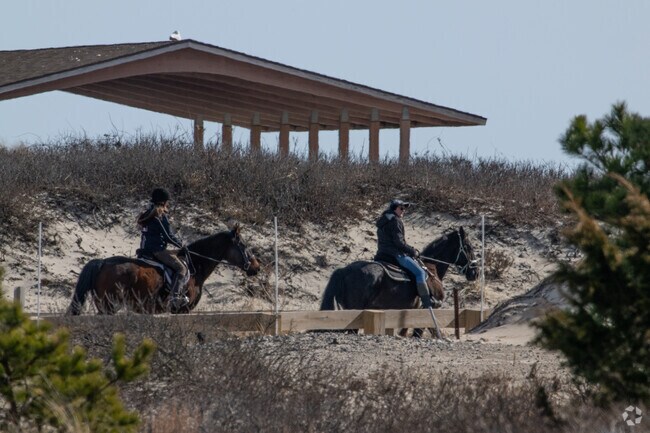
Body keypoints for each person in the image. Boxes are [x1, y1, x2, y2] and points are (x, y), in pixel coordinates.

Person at [374, 199, 436, 309]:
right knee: (420, 272)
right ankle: (427, 303)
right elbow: (399, 243)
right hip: (395, 254)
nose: (404, 211)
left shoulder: (383, 220)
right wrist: (413, 251)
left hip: (381, 254)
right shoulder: (396, 221)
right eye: (401, 208)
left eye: (404, 208)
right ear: (394, 208)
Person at [137, 187, 188, 310]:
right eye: (167, 202)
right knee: (181, 268)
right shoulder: (159, 215)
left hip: (144, 250)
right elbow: (168, 236)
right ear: (164, 202)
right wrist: (181, 245)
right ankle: (175, 298)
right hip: (157, 251)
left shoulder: (146, 213)